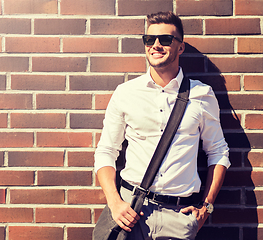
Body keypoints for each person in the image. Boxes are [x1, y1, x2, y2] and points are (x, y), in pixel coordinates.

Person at [94, 11, 230, 240]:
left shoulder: (202, 95)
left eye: (165, 39)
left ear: (181, 47)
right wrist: (114, 202)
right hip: (130, 212)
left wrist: (206, 208)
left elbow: (218, 152)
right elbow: (106, 151)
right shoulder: (126, 93)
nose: (156, 45)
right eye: (149, 39)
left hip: (178, 217)